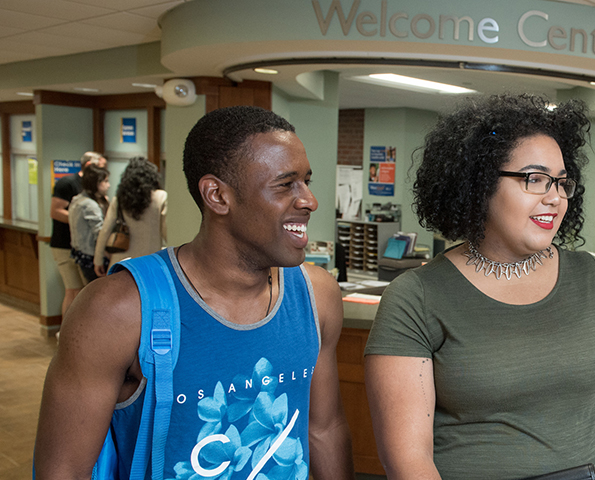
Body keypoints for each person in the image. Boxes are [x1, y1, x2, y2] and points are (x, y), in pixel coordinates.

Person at [35, 106, 355, 480]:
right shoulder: (118, 308)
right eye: (286, 184)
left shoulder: (317, 295)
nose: (309, 200)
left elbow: (324, 428)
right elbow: (63, 470)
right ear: (217, 195)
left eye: (306, 181)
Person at [364, 94, 595, 480]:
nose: (554, 198)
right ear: (479, 183)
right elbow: (408, 458)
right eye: (534, 179)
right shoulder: (416, 296)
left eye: (561, 182)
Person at [50, 151, 106, 314]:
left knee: (84, 293)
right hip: (65, 245)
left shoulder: (92, 192)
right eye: (101, 167)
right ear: (89, 166)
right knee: (73, 291)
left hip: (84, 248)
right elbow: (55, 211)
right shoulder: (67, 183)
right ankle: (65, 334)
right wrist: (80, 221)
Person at [93, 156, 168, 276]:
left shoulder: (119, 199)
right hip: (150, 262)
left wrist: (98, 260)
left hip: (122, 264)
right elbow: (166, 232)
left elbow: (105, 231)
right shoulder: (161, 197)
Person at [68, 164, 110, 283]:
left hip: (81, 254)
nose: (108, 185)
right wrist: (106, 255)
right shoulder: (90, 205)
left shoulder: (77, 199)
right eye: (105, 181)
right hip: (91, 255)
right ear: (96, 183)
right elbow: (99, 233)